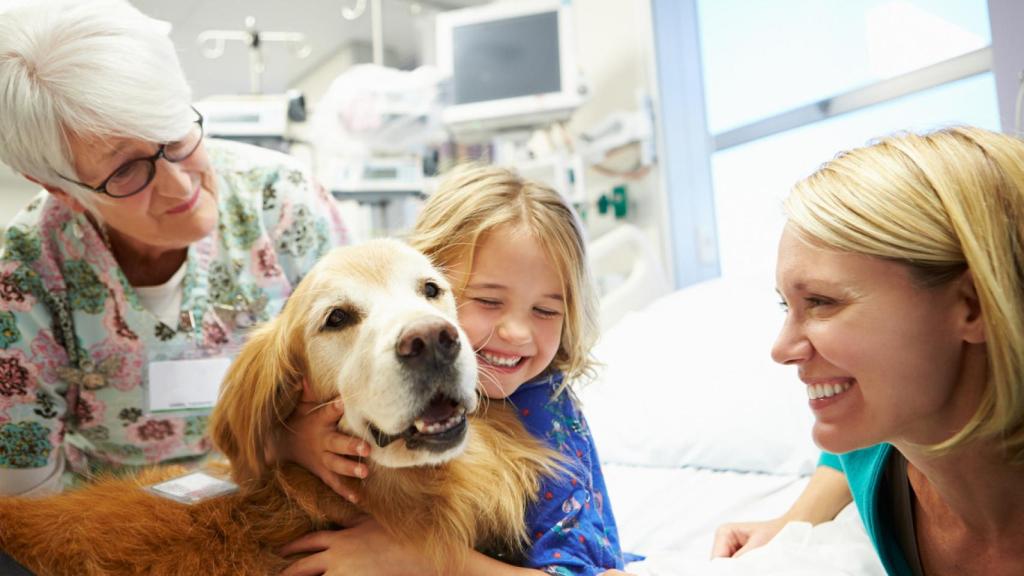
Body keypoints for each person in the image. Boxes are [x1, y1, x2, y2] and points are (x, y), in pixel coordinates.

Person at [0, 0, 369, 507]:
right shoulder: (28, 274)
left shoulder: (281, 202)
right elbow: (27, 494)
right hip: (116, 522)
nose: (180, 186)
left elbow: (369, 371)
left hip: (292, 495)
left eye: (175, 135)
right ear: (60, 188)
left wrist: (288, 441)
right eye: (126, 170)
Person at [280, 165, 633, 576]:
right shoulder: (395, 366)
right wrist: (293, 442)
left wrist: (422, 559)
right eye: (487, 301)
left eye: (545, 310)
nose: (517, 333)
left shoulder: (548, 414)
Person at [712, 126, 1024, 575]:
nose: (781, 349)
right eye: (787, 305)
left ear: (972, 306)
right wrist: (793, 520)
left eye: (821, 302)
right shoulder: (878, 448)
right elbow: (844, 455)